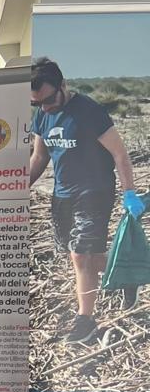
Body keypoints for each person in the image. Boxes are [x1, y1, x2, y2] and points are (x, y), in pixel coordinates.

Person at [28, 56, 145, 343]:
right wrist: (17, 188)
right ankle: (129, 274)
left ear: (63, 85)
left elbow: (120, 153)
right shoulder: (42, 114)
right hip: (62, 194)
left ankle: (85, 321)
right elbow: (40, 157)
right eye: (36, 103)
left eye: (49, 99)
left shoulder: (89, 111)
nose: (45, 107)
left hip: (95, 192)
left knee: (81, 254)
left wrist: (129, 192)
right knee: (79, 255)